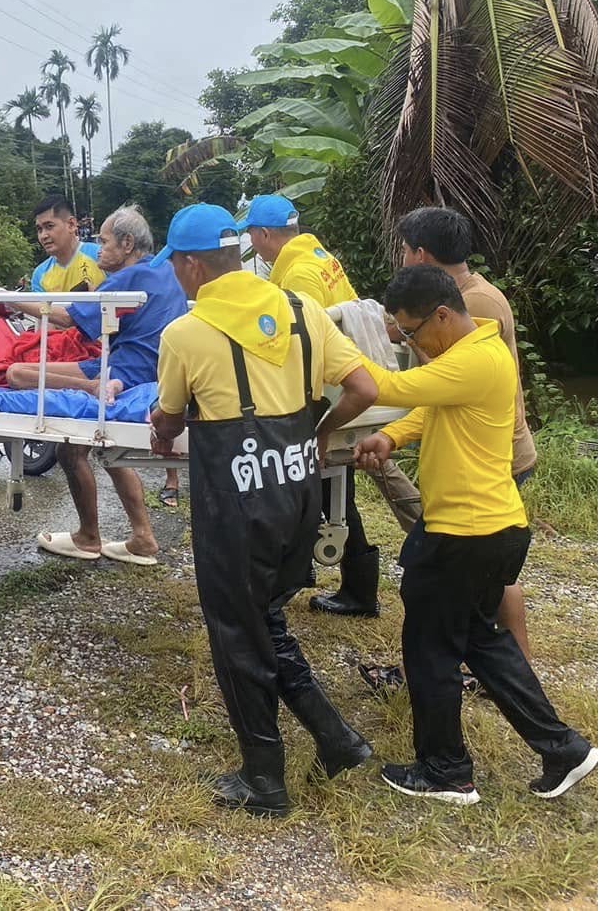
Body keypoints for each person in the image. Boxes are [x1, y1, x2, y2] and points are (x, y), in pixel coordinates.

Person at [149, 204, 379, 816]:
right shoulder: (303, 312)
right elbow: (365, 388)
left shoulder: (185, 334)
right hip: (299, 494)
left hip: (237, 504)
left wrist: (160, 424)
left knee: (236, 634)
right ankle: (337, 739)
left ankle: (265, 779)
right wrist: (321, 433)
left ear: (192, 265)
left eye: (174, 265)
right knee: (265, 619)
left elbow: (169, 419)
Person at [353, 266, 598, 804]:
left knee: (429, 649)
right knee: (480, 641)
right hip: (495, 529)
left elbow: (387, 386)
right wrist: (390, 437)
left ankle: (445, 771)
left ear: (442, 315)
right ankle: (563, 748)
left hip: (462, 535)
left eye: (412, 332)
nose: (413, 344)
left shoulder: (473, 360)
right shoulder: (477, 354)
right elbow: (428, 412)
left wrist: (326, 343)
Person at [0, 206, 187, 566]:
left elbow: (64, 317)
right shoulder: (164, 270)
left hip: (124, 372)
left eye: (104, 242)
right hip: (152, 370)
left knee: (18, 377)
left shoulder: (127, 277)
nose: (99, 248)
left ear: (127, 243)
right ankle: (142, 538)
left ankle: (89, 537)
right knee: (108, 452)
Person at [393, 206, 538, 659]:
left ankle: (509, 665)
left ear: (421, 254)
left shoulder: (472, 303)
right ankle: (496, 666)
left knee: (484, 576)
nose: (401, 259)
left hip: (492, 450)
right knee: (479, 576)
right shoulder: (467, 294)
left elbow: (432, 378)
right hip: (483, 440)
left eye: (404, 250)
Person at [239, 194, 382, 619]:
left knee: (302, 488)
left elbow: (298, 342)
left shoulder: (298, 273)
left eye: (252, 236)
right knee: (332, 490)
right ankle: (357, 588)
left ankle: (321, 585)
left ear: (265, 234)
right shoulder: (320, 257)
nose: (253, 245)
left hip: (321, 392)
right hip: (340, 384)